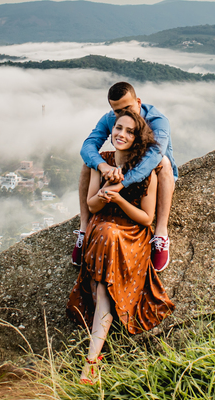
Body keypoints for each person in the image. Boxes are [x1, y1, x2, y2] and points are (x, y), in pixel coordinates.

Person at [66, 109, 175, 383]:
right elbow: (92, 205)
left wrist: (119, 199)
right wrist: (104, 194)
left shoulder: (146, 168)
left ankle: (92, 360)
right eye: (118, 129)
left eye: (129, 131)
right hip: (103, 228)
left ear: (138, 138)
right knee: (105, 237)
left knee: (105, 267)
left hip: (130, 233)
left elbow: (146, 217)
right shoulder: (101, 161)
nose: (121, 134)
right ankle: (92, 361)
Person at [73, 81, 177, 272]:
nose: (122, 114)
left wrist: (122, 183)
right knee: (88, 163)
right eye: (117, 111)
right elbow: (88, 146)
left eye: (127, 107)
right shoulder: (110, 118)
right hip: (118, 173)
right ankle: (84, 228)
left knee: (164, 162)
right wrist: (103, 166)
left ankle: (161, 233)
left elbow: (153, 156)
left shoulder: (157, 121)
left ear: (138, 102)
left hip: (148, 177)